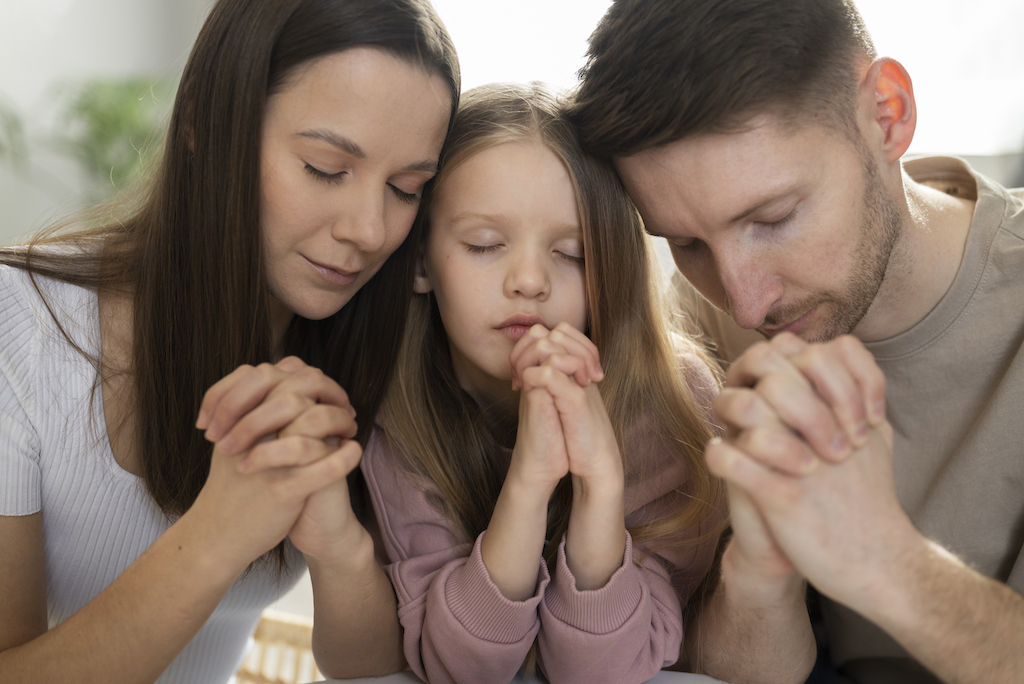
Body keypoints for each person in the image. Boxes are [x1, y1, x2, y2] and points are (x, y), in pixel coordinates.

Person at [0, 0, 459, 682]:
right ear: (202, 127)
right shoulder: (25, 327)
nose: (369, 229)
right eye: (326, 168)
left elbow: (374, 669)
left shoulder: (384, 354)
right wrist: (217, 534)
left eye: (405, 188)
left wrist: (341, 551)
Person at [570, 1, 1024, 683]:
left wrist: (884, 558)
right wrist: (760, 564)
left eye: (774, 218)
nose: (745, 302)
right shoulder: (703, 312)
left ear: (887, 115)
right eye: (686, 244)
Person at [357, 82, 735, 684]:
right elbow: (460, 668)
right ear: (423, 261)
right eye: (484, 244)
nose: (529, 281)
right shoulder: (397, 417)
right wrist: (529, 484)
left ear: (613, 269)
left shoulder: (674, 403)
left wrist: (599, 489)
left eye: (572, 254)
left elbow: (606, 670)